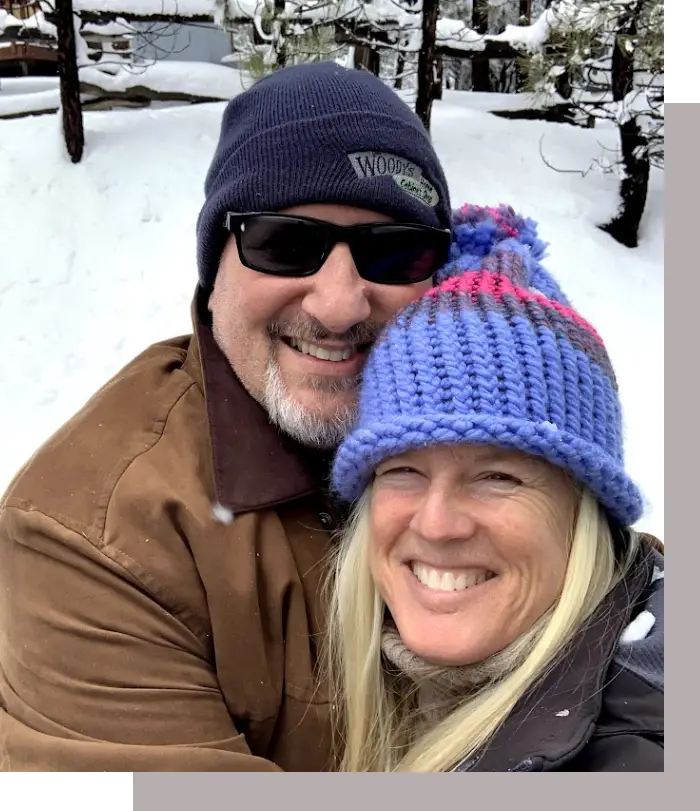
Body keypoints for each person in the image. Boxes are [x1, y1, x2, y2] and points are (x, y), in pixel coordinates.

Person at [0, 61, 453, 773]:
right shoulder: (94, 538)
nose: (339, 305)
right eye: (284, 243)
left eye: (394, 250)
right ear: (216, 271)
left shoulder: (488, 417)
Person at [324, 202, 664, 772]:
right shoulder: (387, 683)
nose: (435, 523)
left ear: (585, 507)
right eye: (402, 470)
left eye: (498, 476)